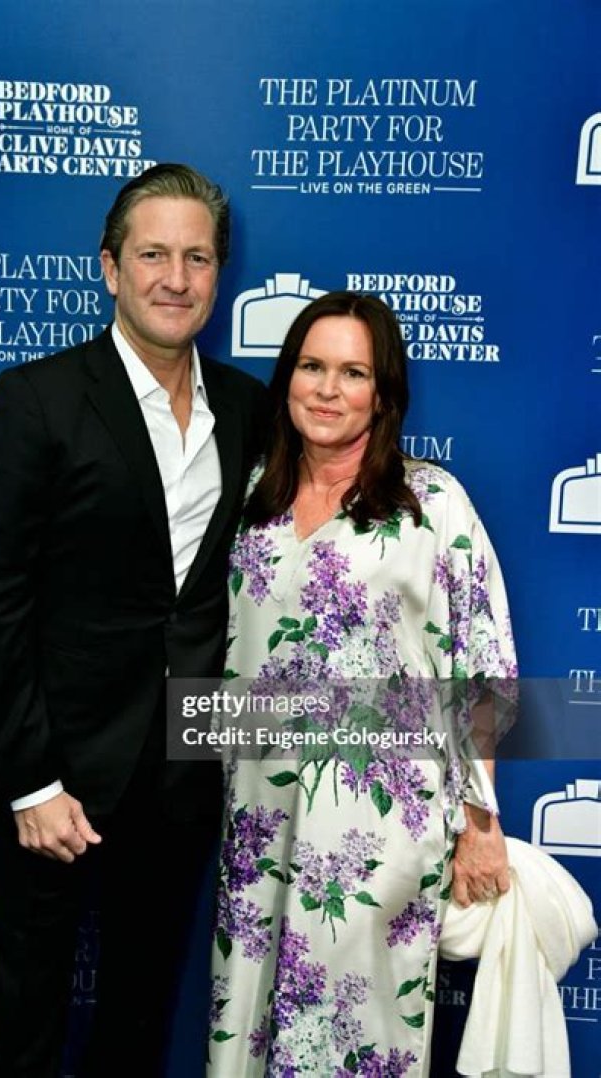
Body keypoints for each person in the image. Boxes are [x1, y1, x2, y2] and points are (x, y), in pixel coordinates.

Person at [0, 163, 268, 1078]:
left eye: (197, 258)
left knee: (138, 1019)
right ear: (110, 267)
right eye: (153, 255)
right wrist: (29, 782)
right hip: (57, 769)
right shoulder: (35, 400)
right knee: (23, 1021)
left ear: (219, 274)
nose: (176, 278)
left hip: (182, 771)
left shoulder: (247, 409)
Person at [207, 291, 517, 1077]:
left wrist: (481, 823)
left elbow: (480, 669)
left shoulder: (431, 504)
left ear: (384, 394)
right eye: (311, 366)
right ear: (286, 377)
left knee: (356, 1036)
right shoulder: (252, 499)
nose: (327, 389)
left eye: (353, 372)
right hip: (259, 822)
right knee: (247, 1023)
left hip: (376, 834)